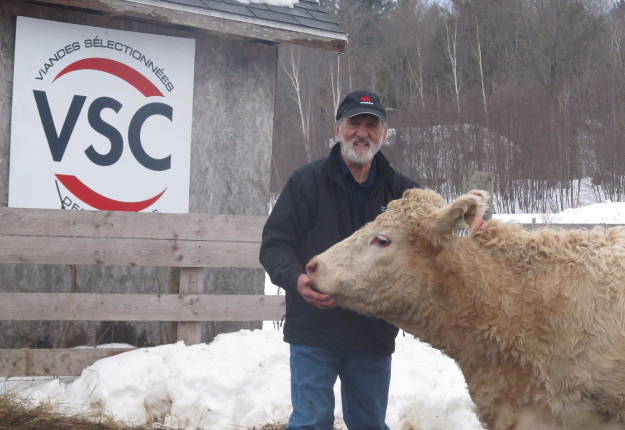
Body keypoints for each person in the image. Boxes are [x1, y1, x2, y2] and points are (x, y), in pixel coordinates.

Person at [259, 90, 419, 430]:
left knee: (369, 424)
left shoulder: (401, 193)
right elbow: (274, 245)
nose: (362, 133)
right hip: (314, 328)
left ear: (384, 133)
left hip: (372, 332)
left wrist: (470, 228)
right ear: (337, 129)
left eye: (371, 125)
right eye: (354, 124)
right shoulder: (306, 183)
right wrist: (298, 280)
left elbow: (443, 230)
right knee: (311, 421)